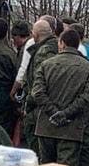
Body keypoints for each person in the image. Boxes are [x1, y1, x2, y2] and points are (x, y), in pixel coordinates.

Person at [30, 29, 89, 166]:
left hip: (46, 126)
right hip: (71, 128)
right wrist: (66, 113)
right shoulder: (87, 66)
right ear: (78, 44)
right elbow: (88, 96)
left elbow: (37, 93)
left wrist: (53, 112)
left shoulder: (46, 64)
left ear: (61, 43)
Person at [18, 19, 60, 153]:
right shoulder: (56, 46)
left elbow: (39, 82)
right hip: (49, 105)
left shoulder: (43, 52)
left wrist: (29, 103)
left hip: (39, 107)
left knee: (36, 150)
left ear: (35, 34)